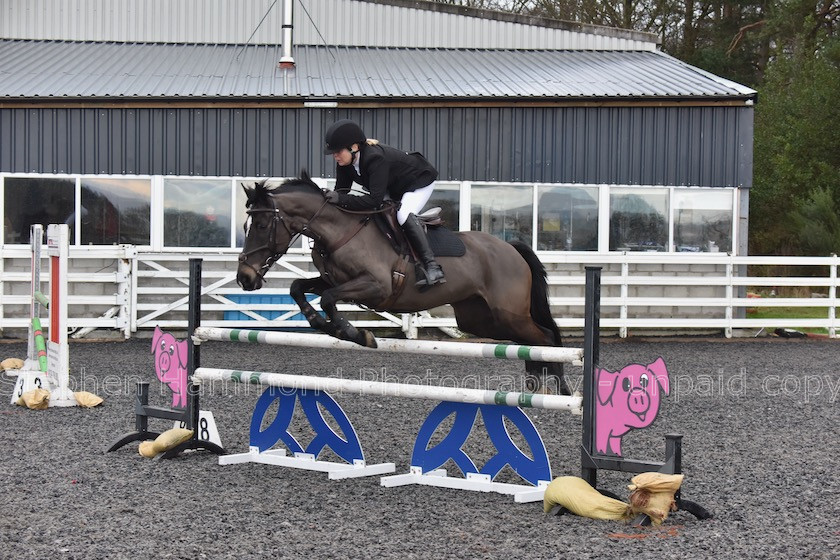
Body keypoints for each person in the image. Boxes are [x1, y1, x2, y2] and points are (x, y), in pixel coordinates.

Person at [322, 119, 445, 288]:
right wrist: (327, 201)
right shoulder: (345, 163)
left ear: (355, 147)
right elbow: (341, 192)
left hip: (419, 180)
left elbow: (373, 200)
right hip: (393, 186)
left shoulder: (375, 159)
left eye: (338, 151)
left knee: (402, 215)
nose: (334, 156)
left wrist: (340, 199)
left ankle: (432, 267)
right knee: (378, 214)